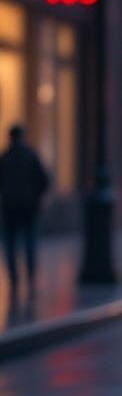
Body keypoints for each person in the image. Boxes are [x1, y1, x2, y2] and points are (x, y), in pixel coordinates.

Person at [0, 124, 50, 298]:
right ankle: (30, 274)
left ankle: (14, 277)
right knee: (29, 241)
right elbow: (44, 180)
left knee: (11, 244)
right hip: (28, 207)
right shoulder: (31, 156)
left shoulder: (5, 157)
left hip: (9, 207)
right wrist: (35, 196)